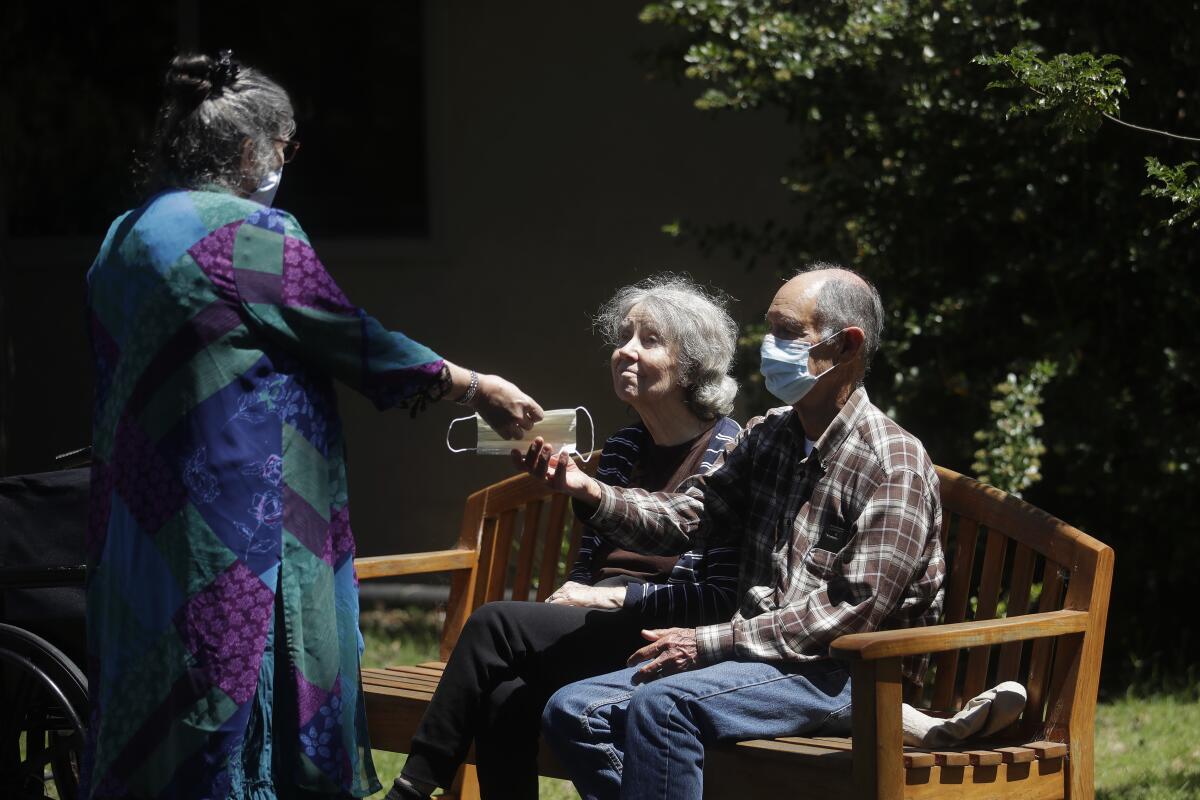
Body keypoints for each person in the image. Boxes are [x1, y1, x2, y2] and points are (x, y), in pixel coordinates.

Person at [82, 52, 542, 800]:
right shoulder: (250, 233)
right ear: (247, 150)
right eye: (286, 145)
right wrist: (472, 383)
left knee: (152, 712)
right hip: (241, 523)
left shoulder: (120, 239)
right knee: (246, 708)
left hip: (136, 527)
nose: (286, 160)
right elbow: (352, 338)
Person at [527, 265, 947, 800]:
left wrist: (708, 641)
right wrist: (588, 489)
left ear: (846, 347)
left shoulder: (894, 464)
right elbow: (687, 521)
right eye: (769, 329)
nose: (770, 346)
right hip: (758, 662)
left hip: (846, 678)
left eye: (789, 333)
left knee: (663, 707)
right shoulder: (769, 435)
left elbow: (850, 610)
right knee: (573, 711)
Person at [385, 275, 743, 800]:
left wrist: (612, 595)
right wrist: (576, 593)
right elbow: (588, 564)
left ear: (692, 362)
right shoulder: (623, 448)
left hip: (666, 630)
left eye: (649, 340)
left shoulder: (731, 451)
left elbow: (716, 597)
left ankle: (412, 788)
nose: (624, 351)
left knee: (492, 623)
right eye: (623, 337)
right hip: (601, 623)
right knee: (505, 693)